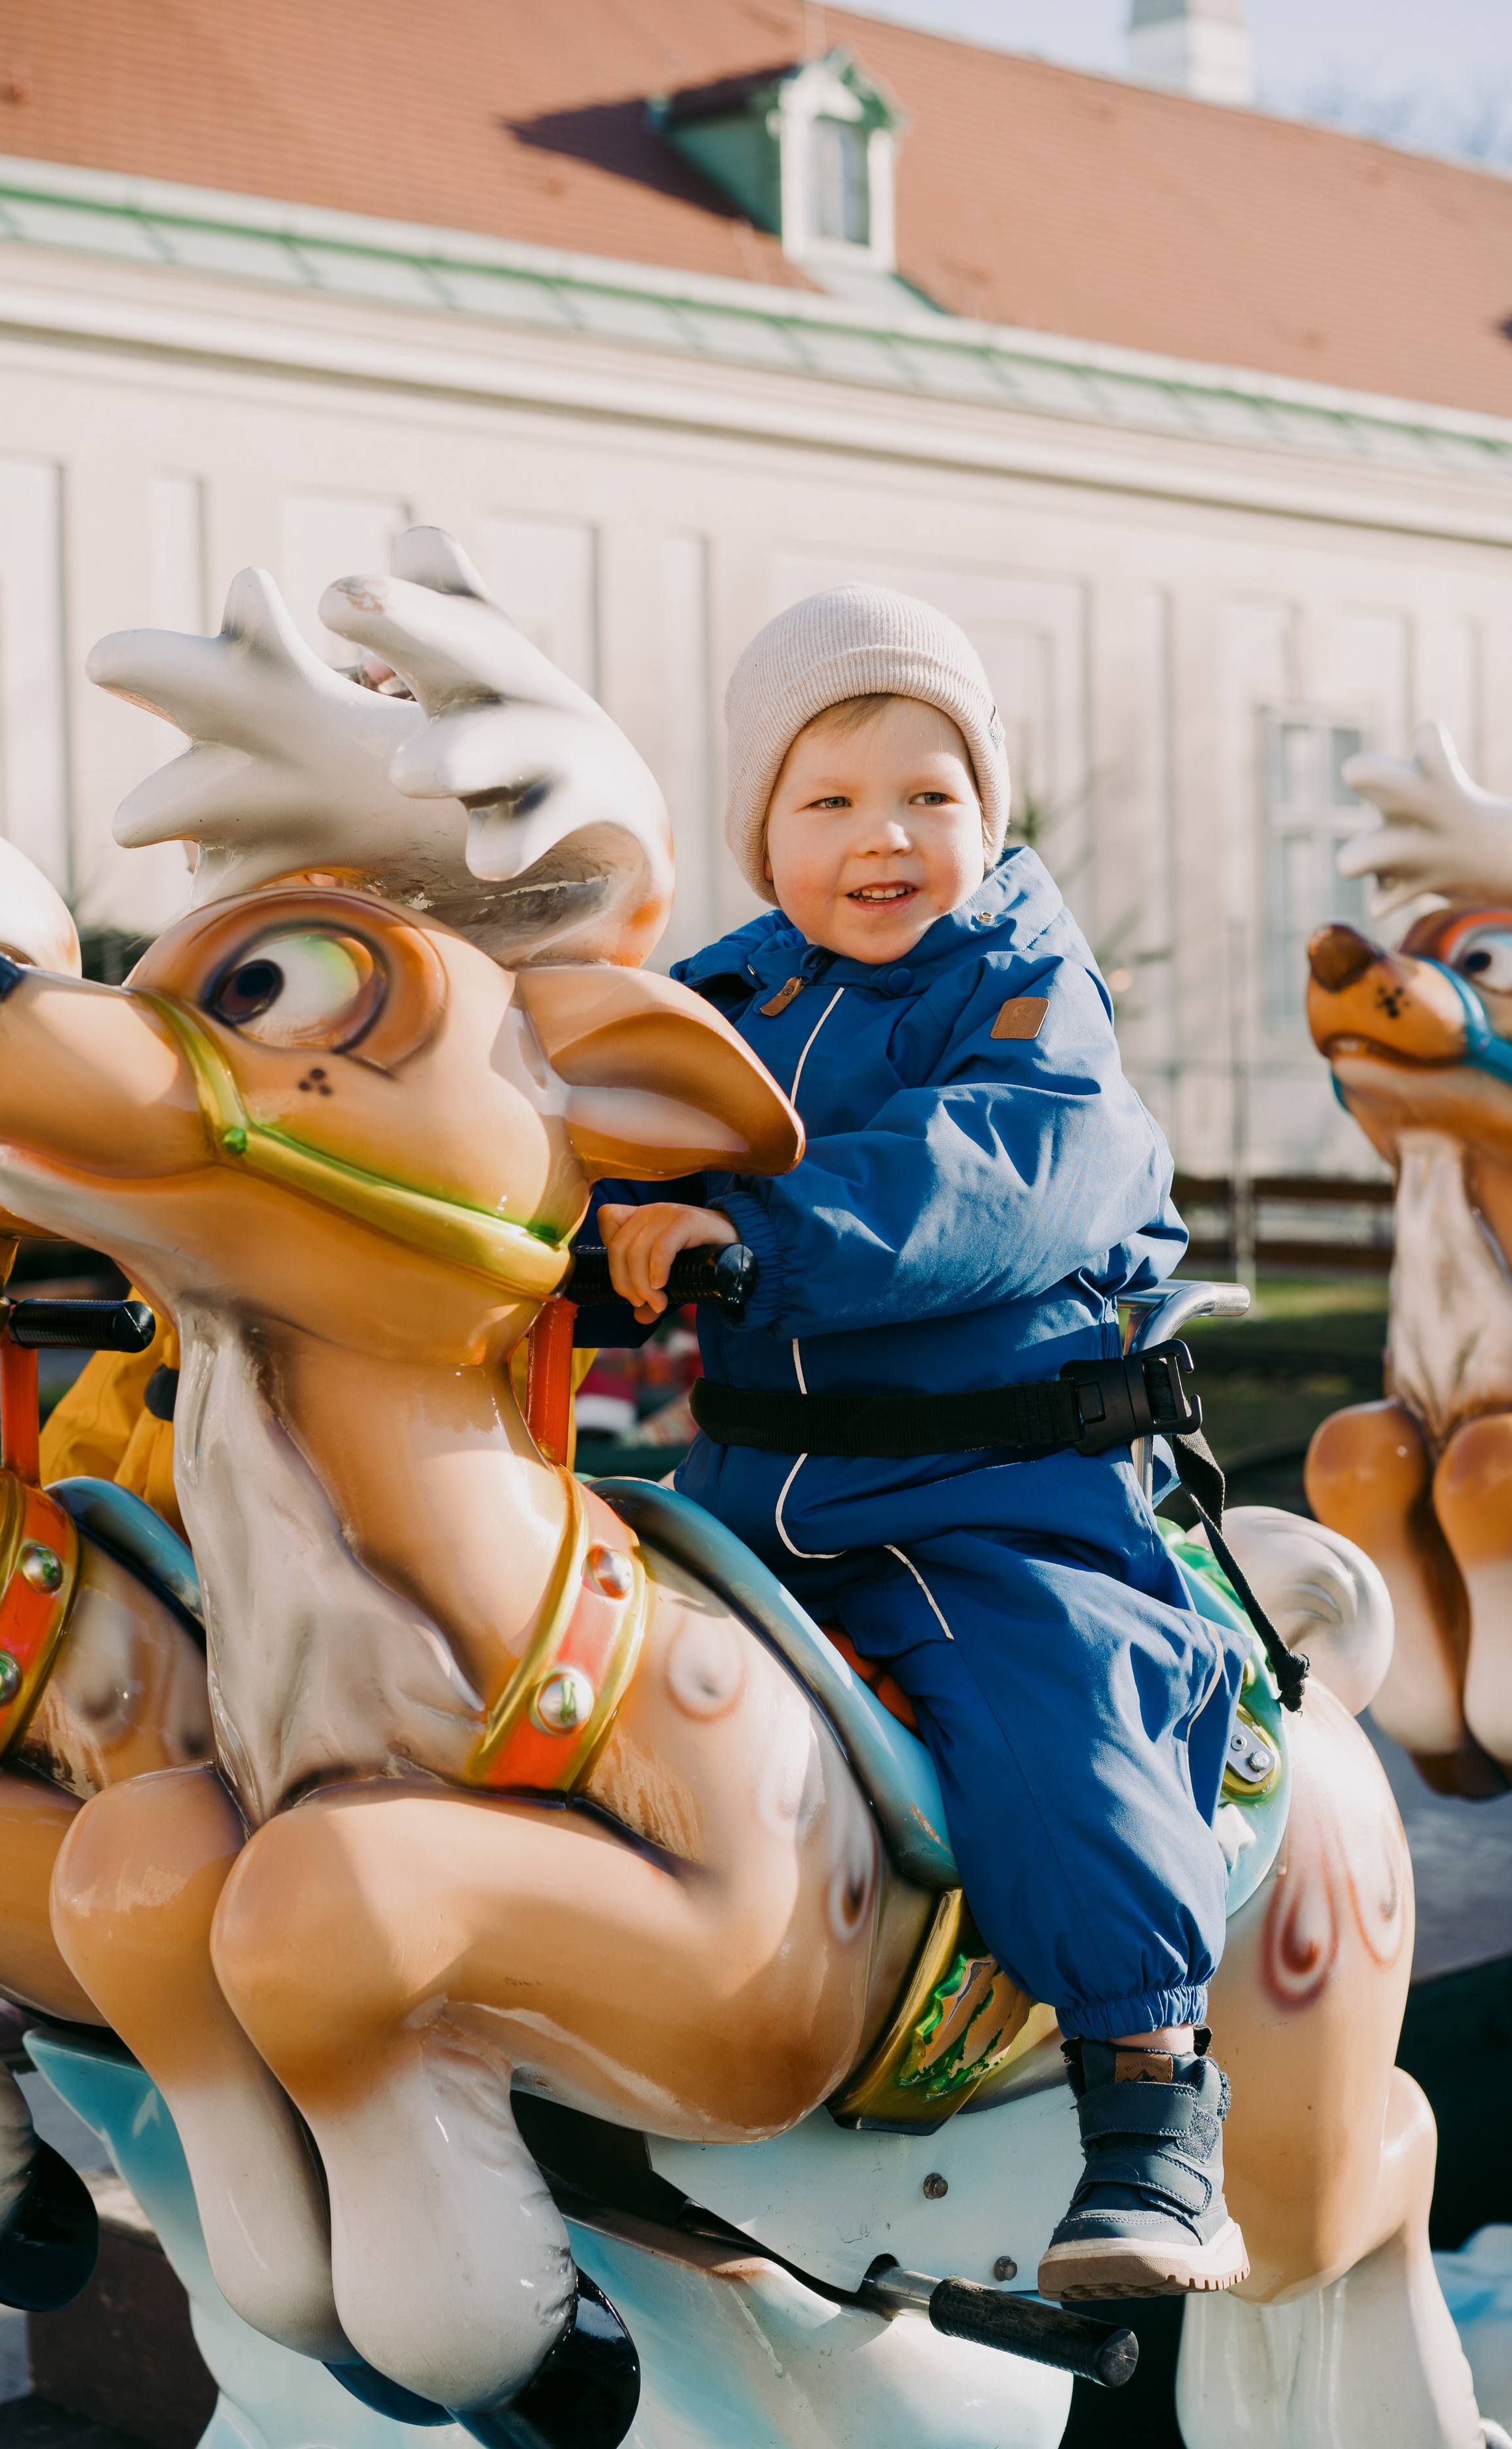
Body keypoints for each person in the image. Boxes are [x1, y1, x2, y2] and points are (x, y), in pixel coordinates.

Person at [585, 583, 1249, 2302]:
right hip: (748, 1499)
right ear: (765, 830)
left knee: (1050, 1715)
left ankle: (1149, 2089)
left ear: (987, 814)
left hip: (986, 1498)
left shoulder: (1027, 993)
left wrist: (760, 1236)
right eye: (829, 800)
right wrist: (572, 1243)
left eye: (929, 796)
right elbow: (591, 1131)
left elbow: (1009, 1168)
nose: (883, 837)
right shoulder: (719, 997)